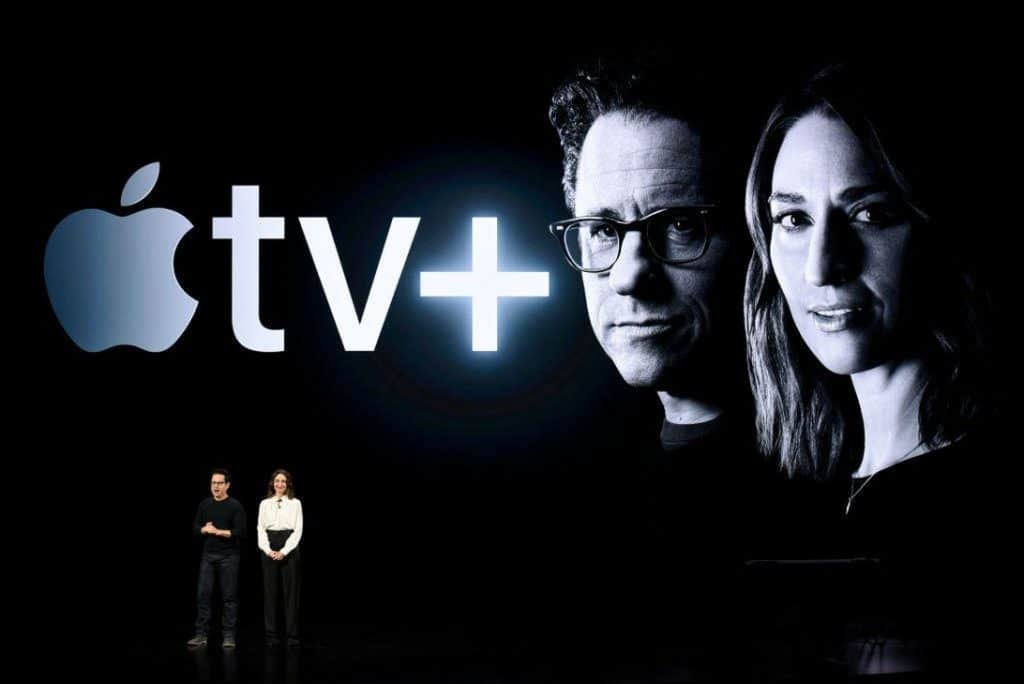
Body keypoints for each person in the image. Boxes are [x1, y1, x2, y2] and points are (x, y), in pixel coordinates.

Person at [743, 61, 1002, 669]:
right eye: (794, 219)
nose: (820, 267)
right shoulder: (805, 503)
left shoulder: (976, 514)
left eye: (870, 214)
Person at [188, 468, 247, 649]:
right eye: (213, 483)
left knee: (229, 598)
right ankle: (201, 634)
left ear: (227, 485)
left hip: (229, 556)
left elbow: (241, 531)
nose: (216, 486)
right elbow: (195, 528)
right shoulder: (205, 504)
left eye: (220, 483)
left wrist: (219, 531)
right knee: (203, 596)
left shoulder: (235, 506)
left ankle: (228, 636)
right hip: (208, 555)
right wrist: (203, 530)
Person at [257, 469, 303, 648]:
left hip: (289, 545)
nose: (280, 484)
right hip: (269, 544)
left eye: (283, 481)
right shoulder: (264, 503)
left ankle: (291, 636)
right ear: (272, 483)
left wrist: (284, 551)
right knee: (270, 593)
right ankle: (271, 635)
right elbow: (260, 528)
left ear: (288, 484)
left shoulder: (295, 503)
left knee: (291, 593)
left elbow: (298, 530)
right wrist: (268, 550)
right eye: (277, 481)